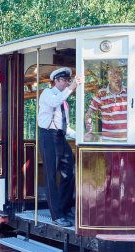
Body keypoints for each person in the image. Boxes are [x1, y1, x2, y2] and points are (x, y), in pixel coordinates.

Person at [38, 67, 83, 227]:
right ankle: (56, 215)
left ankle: (65, 207)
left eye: (68, 80)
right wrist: (72, 88)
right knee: (50, 177)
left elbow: (66, 127)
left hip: (60, 137)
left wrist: (82, 136)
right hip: (48, 137)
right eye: (64, 80)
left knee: (69, 172)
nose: (67, 82)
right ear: (56, 81)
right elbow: (55, 102)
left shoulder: (64, 103)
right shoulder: (47, 94)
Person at [85, 66, 135, 141]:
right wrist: (88, 123)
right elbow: (89, 112)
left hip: (127, 141)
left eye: (119, 76)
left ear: (122, 78)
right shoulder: (101, 93)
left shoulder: (129, 92)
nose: (117, 79)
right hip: (108, 142)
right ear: (109, 78)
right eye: (114, 76)